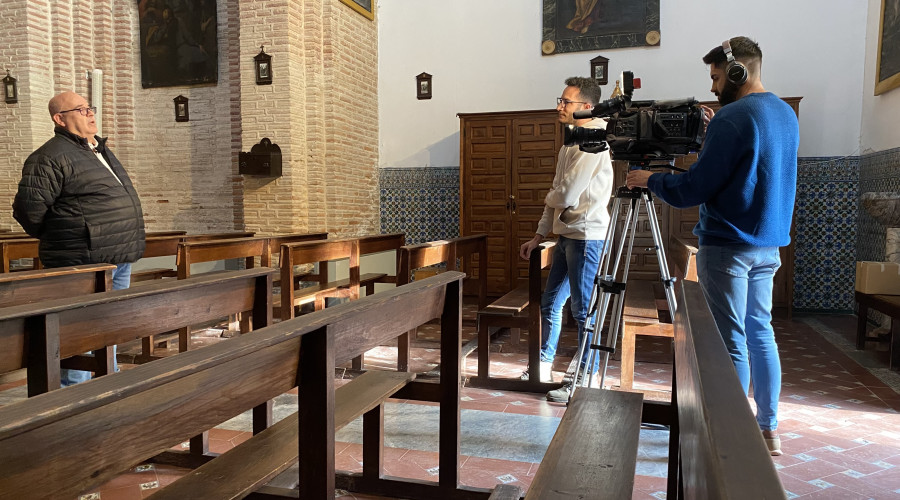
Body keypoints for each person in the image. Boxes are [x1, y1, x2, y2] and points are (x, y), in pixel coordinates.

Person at [626, 36, 799, 456]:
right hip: (768, 246)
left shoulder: (733, 117)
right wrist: (710, 137)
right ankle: (767, 429)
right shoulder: (784, 114)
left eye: (717, 76)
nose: (713, 87)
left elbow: (695, 188)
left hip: (728, 245)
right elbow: (746, 167)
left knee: (729, 340)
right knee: (761, 333)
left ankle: (727, 433)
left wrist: (650, 180)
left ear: (738, 71)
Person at [13, 91, 146, 386]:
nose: (90, 113)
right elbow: (28, 211)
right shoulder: (49, 157)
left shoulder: (97, 149)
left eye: (90, 107)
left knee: (108, 325)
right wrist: (68, 234)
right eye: (81, 109)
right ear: (59, 119)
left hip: (117, 257)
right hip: (80, 259)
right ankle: (72, 392)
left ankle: (106, 383)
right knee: (80, 331)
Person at [519, 77, 614, 403]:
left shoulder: (594, 140)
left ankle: (585, 378)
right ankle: (543, 364)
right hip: (566, 237)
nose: (559, 106)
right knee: (550, 303)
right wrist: (539, 235)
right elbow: (558, 195)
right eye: (559, 99)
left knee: (584, 310)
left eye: (566, 102)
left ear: (587, 107)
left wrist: (555, 197)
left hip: (586, 236)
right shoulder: (569, 143)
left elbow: (567, 193)